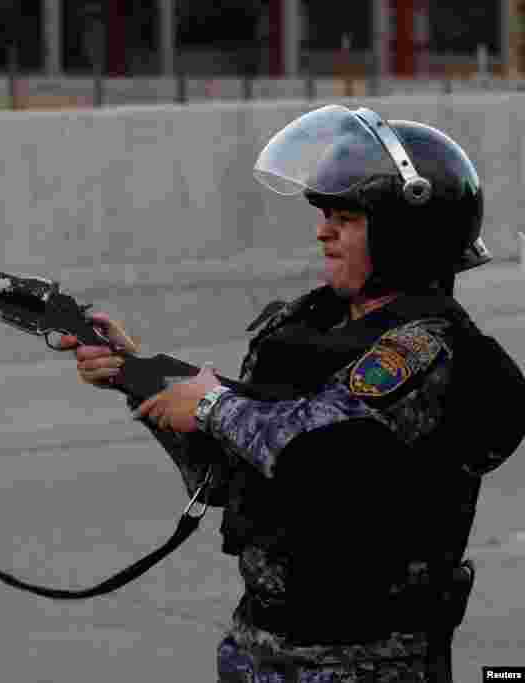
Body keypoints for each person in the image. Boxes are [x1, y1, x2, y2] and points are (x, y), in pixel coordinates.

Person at [59, 104, 525, 682]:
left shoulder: (422, 351)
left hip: (368, 661)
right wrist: (138, 377)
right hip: (261, 646)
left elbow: (311, 451)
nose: (323, 231)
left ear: (406, 236)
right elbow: (230, 472)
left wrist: (207, 403)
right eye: (326, 214)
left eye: (346, 218)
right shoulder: (304, 331)